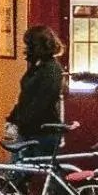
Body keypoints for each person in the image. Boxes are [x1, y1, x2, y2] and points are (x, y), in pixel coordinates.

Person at [6, 26, 66, 161]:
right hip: (31, 130)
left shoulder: (51, 70)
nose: (26, 49)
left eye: (28, 45)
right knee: (19, 172)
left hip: (42, 132)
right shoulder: (38, 66)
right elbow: (26, 97)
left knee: (20, 172)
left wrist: (20, 120)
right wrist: (13, 118)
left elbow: (41, 102)